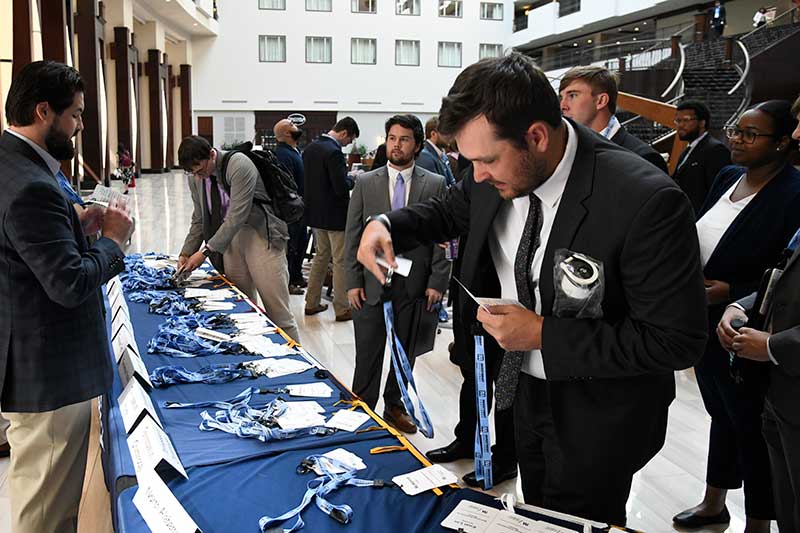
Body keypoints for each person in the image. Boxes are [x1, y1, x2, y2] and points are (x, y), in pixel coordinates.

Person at [356, 52, 707, 525]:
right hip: (518, 388)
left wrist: (543, 333)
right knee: (536, 508)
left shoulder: (644, 198)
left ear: (537, 137)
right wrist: (386, 224)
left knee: (578, 519)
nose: (476, 174)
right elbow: (449, 210)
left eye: (485, 160)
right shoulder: (493, 170)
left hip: (597, 410)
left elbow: (675, 340)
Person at [0, 60, 134, 533]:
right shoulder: (32, 184)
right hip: (51, 373)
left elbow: (24, 251)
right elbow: (69, 283)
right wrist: (113, 243)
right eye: (75, 115)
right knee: (46, 512)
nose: (79, 126)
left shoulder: (14, 163)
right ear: (43, 111)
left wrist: (73, 227)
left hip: (36, 360)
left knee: (46, 497)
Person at [673, 100, 800, 532]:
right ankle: (714, 501)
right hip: (705, 318)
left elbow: (785, 269)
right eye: (736, 130)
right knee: (721, 416)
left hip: (751, 329)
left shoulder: (793, 192)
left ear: (782, 142)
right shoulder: (728, 177)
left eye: (751, 134)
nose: (738, 140)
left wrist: (737, 293)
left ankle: (759, 521)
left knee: (751, 426)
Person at [720, 94, 800, 527]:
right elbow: (785, 271)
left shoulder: (791, 192)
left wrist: (772, 344)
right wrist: (740, 303)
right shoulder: (729, 176)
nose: (799, 135)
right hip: (777, 384)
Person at [344, 114, 449, 433]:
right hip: (371, 283)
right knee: (368, 352)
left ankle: (395, 405)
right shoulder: (365, 182)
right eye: (391, 138)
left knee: (406, 351)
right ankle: (362, 408)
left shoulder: (435, 183)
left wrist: (437, 281)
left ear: (417, 144)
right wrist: (351, 282)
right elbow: (352, 235)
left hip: (414, 285)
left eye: (404, 139)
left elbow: (443, 237)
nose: (396, 145)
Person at [177, 135, 300, 342]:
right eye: (193, 173)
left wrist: (205, 252)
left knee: (277, 310)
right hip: (229, 241)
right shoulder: (195, 177)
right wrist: (186, 252)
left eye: (200, 170)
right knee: (241, 304)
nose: (198, 177)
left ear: (211, 154)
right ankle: (252, 351)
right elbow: (199, 218)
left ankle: (298, 363)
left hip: (261, 235)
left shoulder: (239, 165)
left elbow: (237, 215)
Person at [559, 65, 669, 173]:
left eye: (572, 95)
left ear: (601, 101)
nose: (562, 106)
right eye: (561, 97)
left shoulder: (644, 158)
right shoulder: (565, 151)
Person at [302, 116, 360, 322]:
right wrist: (352, 179)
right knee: (340, 261)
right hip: (335, 216)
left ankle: (311, 302)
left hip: (315, 214)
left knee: (320, 258)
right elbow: (340, 187)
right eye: (350, 139)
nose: (348, 144)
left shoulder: (310, 148)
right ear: (344, 133)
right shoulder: (334, 152)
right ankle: (342, 308)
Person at [672, 100, 731, 214]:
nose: (680, 125)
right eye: (678, 121)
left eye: (685, 120)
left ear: (702, 123)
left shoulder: (716, 150)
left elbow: (717, 192)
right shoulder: (687, 150)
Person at [273, 119, 307, 295]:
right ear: (286, 133)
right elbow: (287, 184)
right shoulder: (283, 154)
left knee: (300, 242)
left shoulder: (294, 150)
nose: (297, 128)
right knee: (292, 246)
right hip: (292, 209)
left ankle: (296, 275)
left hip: (300, 207)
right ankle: (288, 282)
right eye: (293, 126)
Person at [417, 116, 457, 187]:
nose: (450, 136)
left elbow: (452, 182)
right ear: (433, 134)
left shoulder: (441, 154)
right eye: (445, 133)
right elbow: (437, 189)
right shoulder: (425, 157)